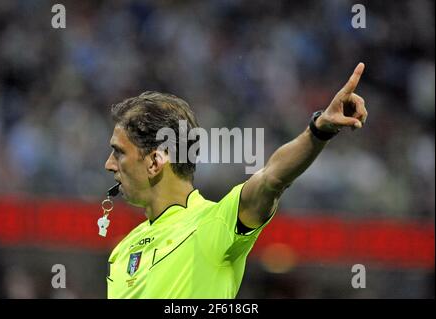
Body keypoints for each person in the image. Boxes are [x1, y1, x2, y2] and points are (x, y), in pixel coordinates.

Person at [104, 63, 368, 299]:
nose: (109, 164)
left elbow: (271, 178)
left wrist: (320, 128)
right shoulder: (123, 249)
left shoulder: (212, 225)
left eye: (119, 152)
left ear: (154, 162)